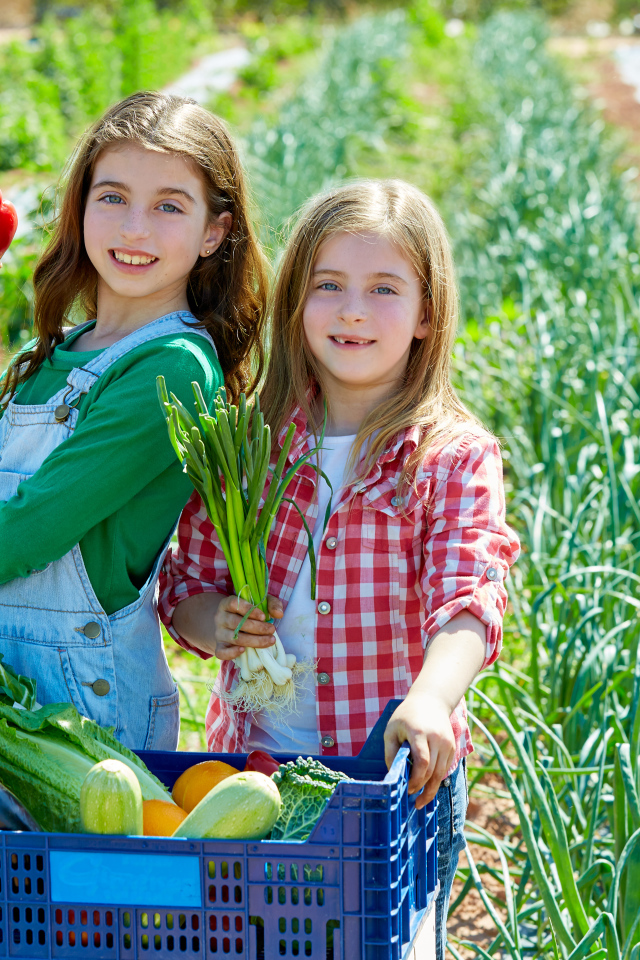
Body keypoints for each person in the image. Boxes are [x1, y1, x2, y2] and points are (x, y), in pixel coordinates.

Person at [159, 179, 519, 957]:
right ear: (297, 304)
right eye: (329, 286)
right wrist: (208, 619)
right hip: (258, 765)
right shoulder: (253, 439)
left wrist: (429, 699)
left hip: (387, 781)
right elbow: (187, 581)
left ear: (426, 314)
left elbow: (469, 596)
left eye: (384, 289)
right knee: (257, 937)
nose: (352, 310)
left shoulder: (448, 456)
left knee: (379, 939)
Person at [0, 91, 268, 751]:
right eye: (112, 197)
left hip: (85, 711)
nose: (133, 229)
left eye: (168, 207)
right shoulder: (56, 352)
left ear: (215, 232)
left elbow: (33, 527)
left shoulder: (171, 370)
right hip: (23, 696)